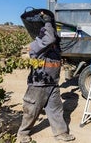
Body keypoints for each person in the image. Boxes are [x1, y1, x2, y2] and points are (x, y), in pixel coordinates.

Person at [17, 12, 75, 143]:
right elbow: (49, 38)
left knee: (56, 110)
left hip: (52, 84)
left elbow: (54, 40)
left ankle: (60, 133)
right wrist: (48, 22)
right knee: (31, 110)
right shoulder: (36, 45)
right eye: (49, 31)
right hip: (38, 84)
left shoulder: (53, 47)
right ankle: (22, 133)